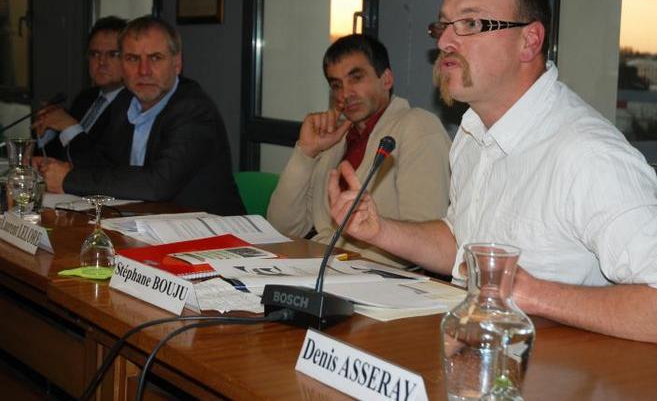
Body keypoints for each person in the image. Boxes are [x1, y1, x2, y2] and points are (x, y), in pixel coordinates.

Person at [328, 0, 657, 354]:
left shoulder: (587, 154)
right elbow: (463, 245)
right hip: (484, 367)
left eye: (470, 24)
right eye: (443, 26)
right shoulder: (472, 133)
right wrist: (379, 230)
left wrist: (532, 295)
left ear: (529, 42)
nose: (445, 41)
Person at [267, 34, 451, 267]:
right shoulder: (336, 140)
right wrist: (306, 152)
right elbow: (282, 227)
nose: (345, 94)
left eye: (356, 78)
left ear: (386, 79)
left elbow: (425, 243)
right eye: (336, 85)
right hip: (322, 268)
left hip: (381, 280)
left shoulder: (417, 127)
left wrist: (333, 261)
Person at [37, 15, 244, 216]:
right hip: (146, 224)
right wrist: (62, 168)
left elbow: (158, 184)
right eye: (132, 59)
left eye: (155, 58)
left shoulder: (194, 110)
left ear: (177, 63)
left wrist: (69, 179)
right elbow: (105, 166)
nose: (143, 71)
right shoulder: (125, 102)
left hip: (211, 234)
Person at [33, 16, 130, 160]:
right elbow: (59, 156)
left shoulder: (133, 106)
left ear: (129, 58)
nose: (101, 62)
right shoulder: (85, 98)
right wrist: (49, 129)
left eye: (112, 54)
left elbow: (102, 166)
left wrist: (69, 127)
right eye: (94, 54)